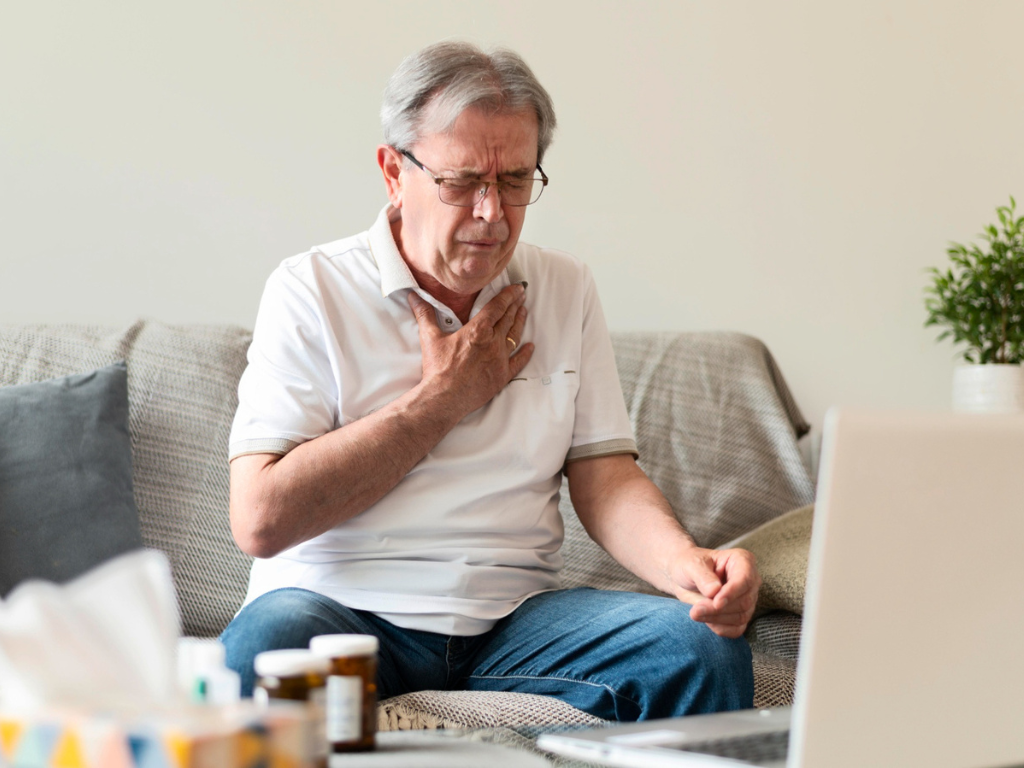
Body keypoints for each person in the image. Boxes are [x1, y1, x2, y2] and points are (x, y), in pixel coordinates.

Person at [220, 40, 760, 721]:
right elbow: (261, 519)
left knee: (700, 646)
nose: (491, 214)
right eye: (462, 181)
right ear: (394, 171)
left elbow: (605, 477)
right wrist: (441, 401)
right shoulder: (311, 289)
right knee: (264, 646)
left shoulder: (563, 286)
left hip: (513, 623)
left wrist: (690, 568)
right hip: (341, 611)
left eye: (514, 182)